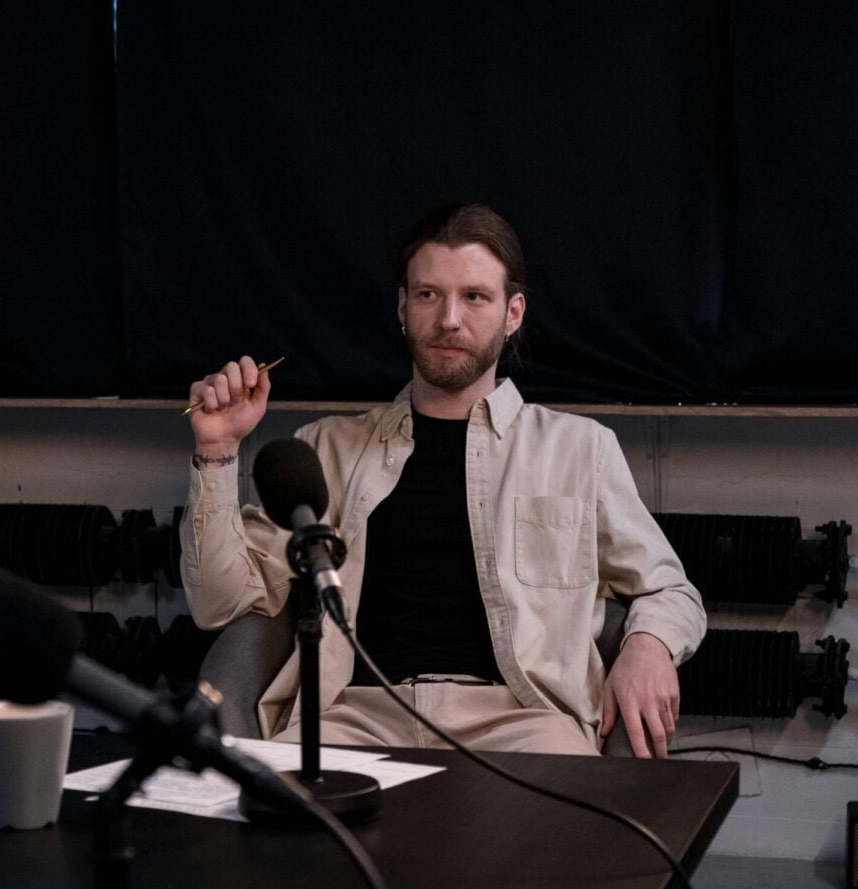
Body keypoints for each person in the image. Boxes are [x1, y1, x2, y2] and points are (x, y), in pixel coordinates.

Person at [179, 203, 705, 758]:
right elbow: (219, 605)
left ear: (513, 312)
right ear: (403, 307)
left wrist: (649, 645)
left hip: (521, 721)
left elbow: (670, 589)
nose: (450, 319)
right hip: (355, 716)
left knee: (556, 838)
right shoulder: (325, 449)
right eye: (429, 294)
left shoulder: (580, 449)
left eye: (475, 297)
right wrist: (216, 450)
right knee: (286, 831)